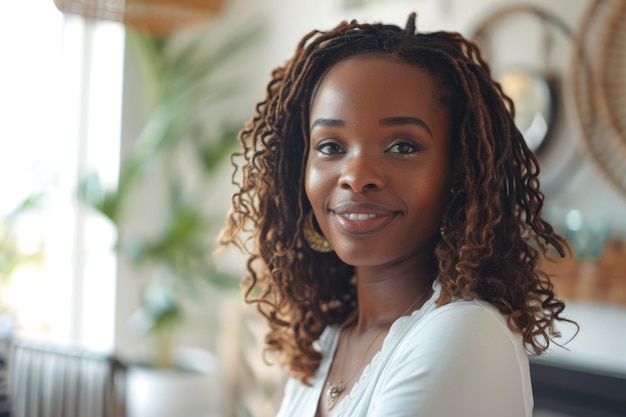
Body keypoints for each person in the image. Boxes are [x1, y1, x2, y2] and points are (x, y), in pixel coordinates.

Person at [219, 12, 576, 417]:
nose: (355, 177)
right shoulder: (330, 338)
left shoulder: (462, 334)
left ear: (458, 170)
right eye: (331, 146)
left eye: (402, 146)